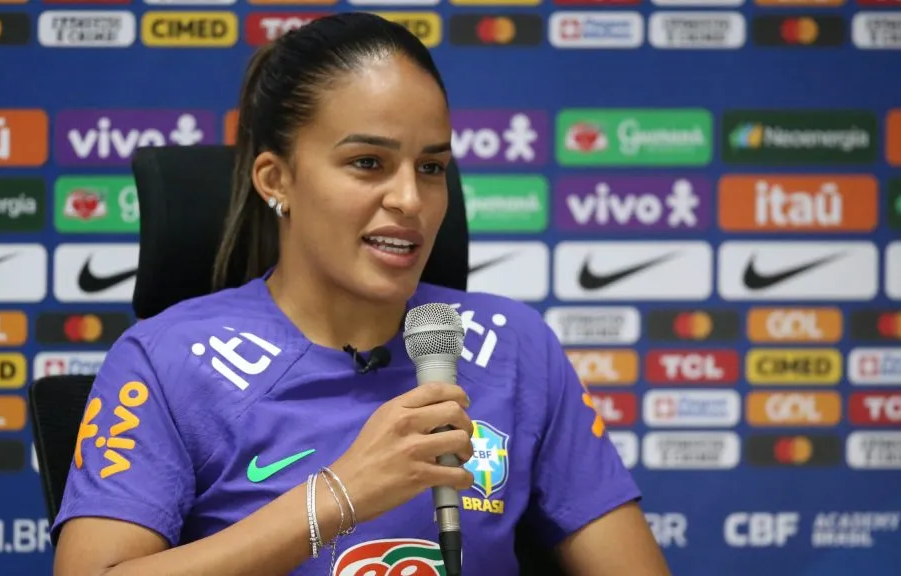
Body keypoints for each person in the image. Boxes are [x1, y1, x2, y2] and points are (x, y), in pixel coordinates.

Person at [51, 12, 670, 576]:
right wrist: (341, 495)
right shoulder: (168, 357)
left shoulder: (513, 347)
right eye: (369, 163)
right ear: (277, 179)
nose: (409, 200)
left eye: (431, 167)